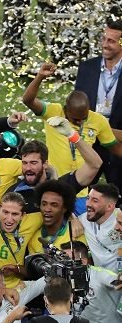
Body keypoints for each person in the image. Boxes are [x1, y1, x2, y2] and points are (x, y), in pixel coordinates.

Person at [22, 62, 122, 209]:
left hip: (80, 191)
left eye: (84, 117)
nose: (80, 122)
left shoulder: (98, 120)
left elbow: (115, 149)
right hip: (55, 185)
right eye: (76, 119)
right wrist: (40, 77)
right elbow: (28, 100)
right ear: (66, 110)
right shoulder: (54, 111)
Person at [75, 16, 122, 195]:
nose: (105, 44)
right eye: (103, 39)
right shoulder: (87, 67)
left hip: (118, 143)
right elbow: (77, 101)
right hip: (89, 142)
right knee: (78, 193)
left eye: (111, 41)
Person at [0, 192, 42, 289]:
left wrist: (72, 219)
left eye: (15, 214)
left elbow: (56, 212)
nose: (9, 219)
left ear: (22, 215)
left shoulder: (31, 221)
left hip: (16, 288)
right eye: (5, 212)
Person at [61, 241, 122, 323]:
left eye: (68, 260)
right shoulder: (60, 275)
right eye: (62, 259)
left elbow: (116, 280)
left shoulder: (99, 274)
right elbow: (36, 287)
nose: (63, 264)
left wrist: (118, 280)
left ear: (83, 262)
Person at [28, 180, 87, 254]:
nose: (47, 209)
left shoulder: (76, 233)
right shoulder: (33, 237)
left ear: (64, 208)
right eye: (44, 204)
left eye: (54, 205)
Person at [78, 183, 122, 272]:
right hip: (99, 279)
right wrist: (73, 218)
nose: (88, 204)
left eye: (95, 200)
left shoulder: (120, 217)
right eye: (88, 198)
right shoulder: (82, 220)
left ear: (109, 206)